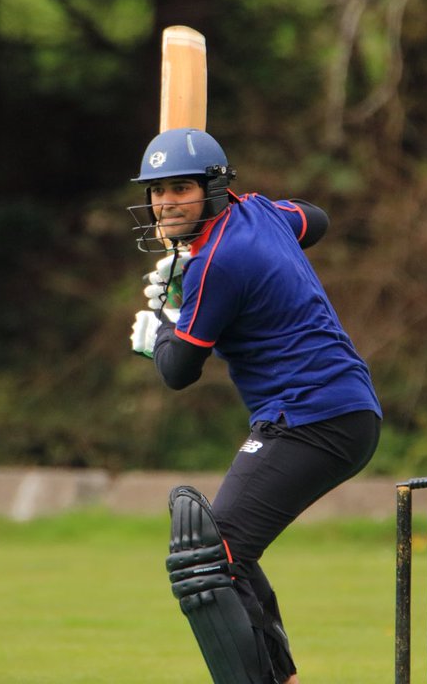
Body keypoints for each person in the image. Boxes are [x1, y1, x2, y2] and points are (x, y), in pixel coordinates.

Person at [127, 128, 382, 684]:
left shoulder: (217, 262)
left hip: (315, 417)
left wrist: (163, 324)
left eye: (180, 188)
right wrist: (185, 280)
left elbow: (176, 371)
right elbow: (315, 218)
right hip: (331, 410)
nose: (165, 202)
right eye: (157, 190)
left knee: (209, 557)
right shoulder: (262, 212)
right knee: (224, 550)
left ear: (213, 188)